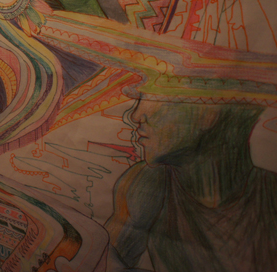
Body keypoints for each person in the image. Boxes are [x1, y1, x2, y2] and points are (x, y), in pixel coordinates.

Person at [105, 99, 277, 272]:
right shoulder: (148, 181)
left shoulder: (271, 196)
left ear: (208, 112)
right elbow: (105, 263)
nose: (135, 115)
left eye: (157, 98)